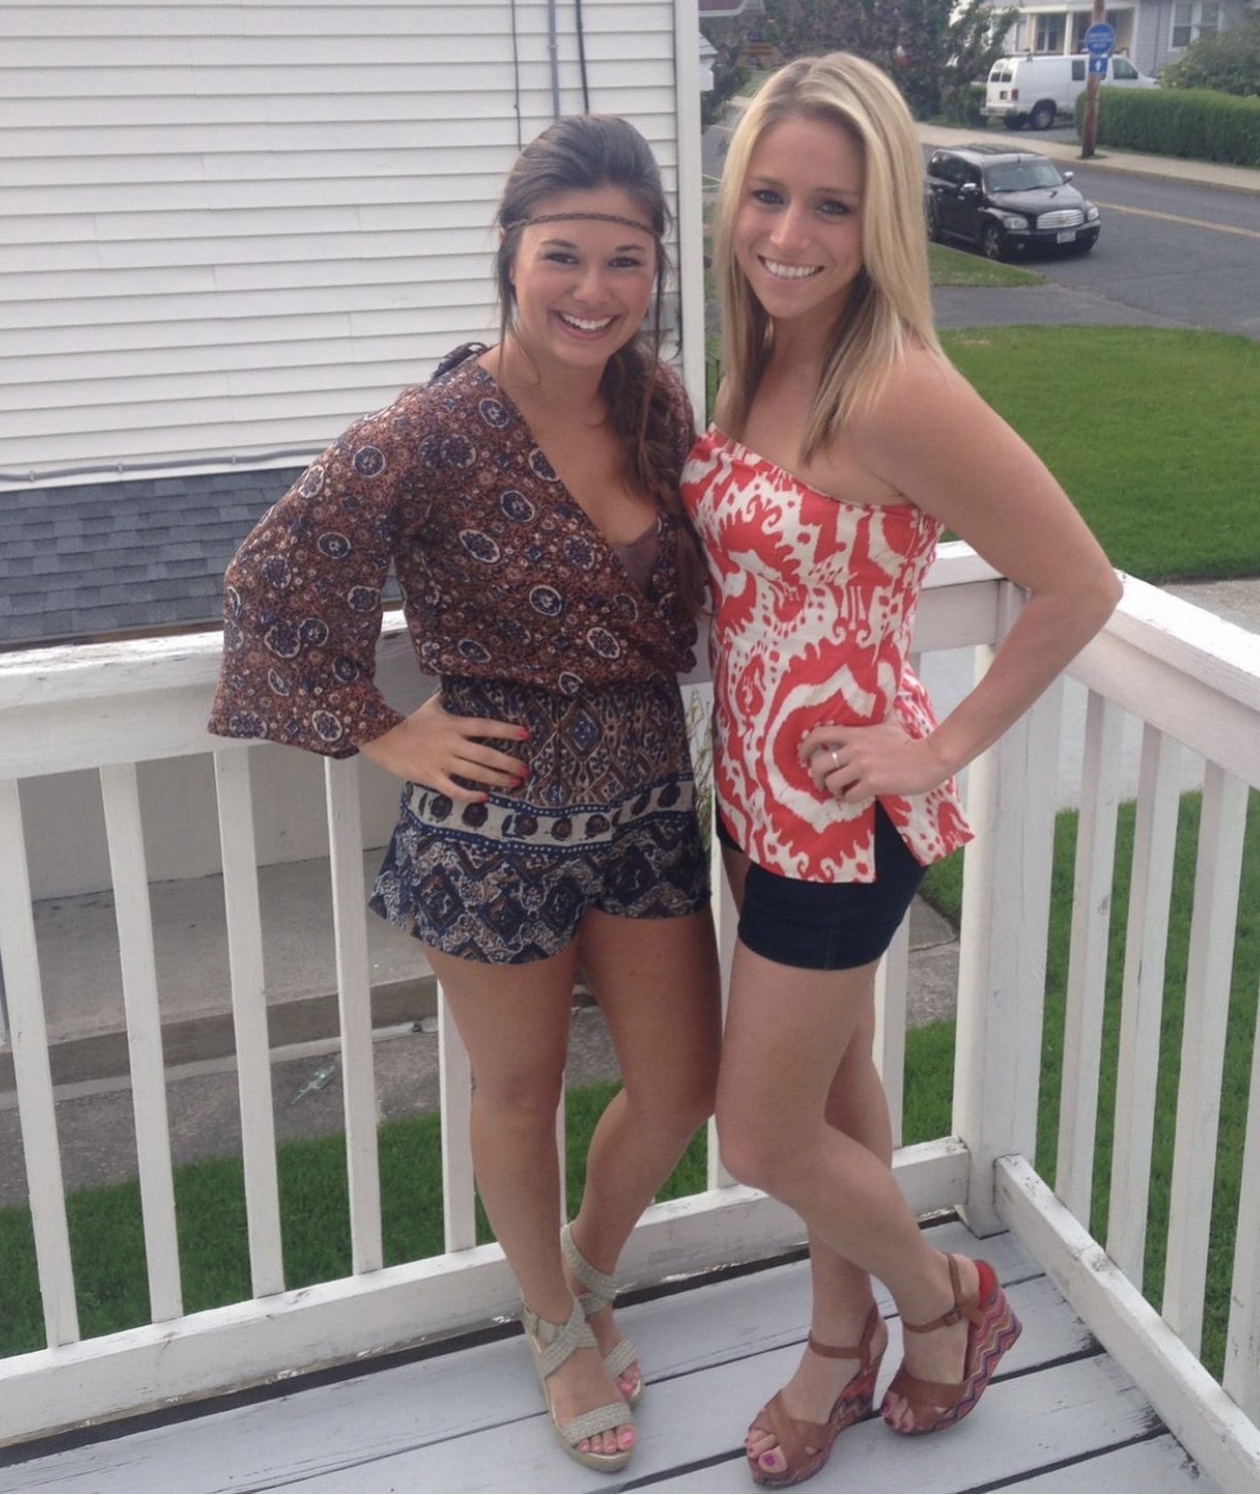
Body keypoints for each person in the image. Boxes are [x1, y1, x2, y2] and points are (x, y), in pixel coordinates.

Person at [209, 114, 721, 1475]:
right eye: (564, 255)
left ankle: (586, 1270)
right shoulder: (430, 430)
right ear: (509, 253)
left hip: (647, 799)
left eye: (625, 259)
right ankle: (553, 1327)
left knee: (682, 1081)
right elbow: (270, 581)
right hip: (492, 826)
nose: (593, 289)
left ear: (655, 267)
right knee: (522, 1085)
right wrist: (382, 729)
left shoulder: (655, 405)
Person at [682, 52, 1122, 1488]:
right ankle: (840, 1337)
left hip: (841, 819)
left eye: (831, 206)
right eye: (767, 195)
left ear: (881, 223)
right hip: (754, 797)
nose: (789, 234)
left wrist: (937, 746)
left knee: (760, 1135)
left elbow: (1078, 584)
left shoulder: (897, 386)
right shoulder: (762, 352)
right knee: (835, 1090)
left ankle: (945, 1303)